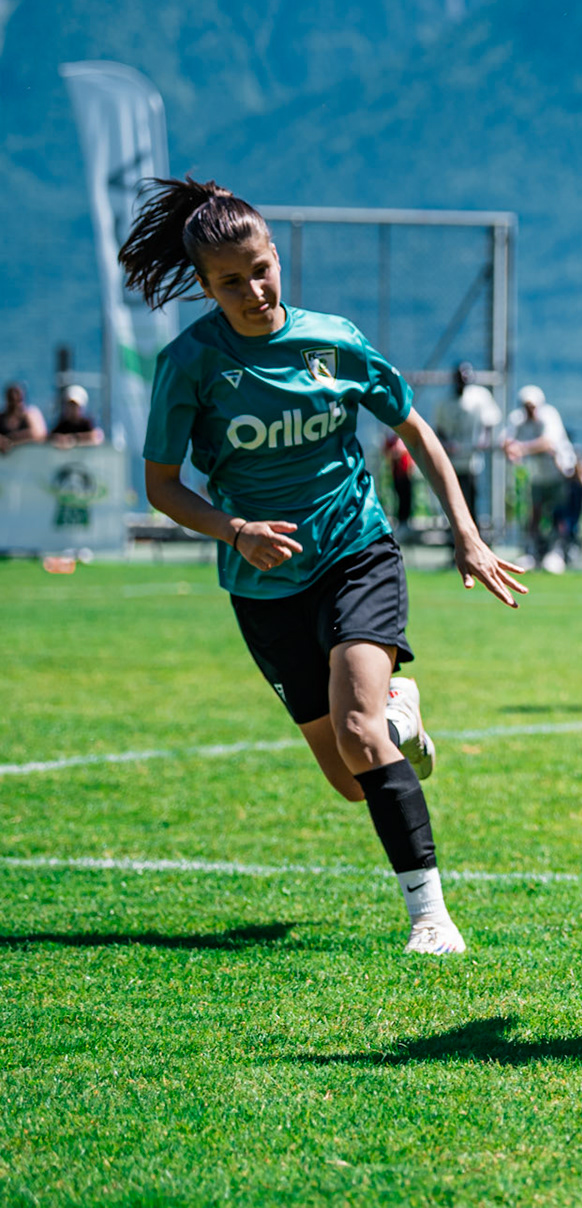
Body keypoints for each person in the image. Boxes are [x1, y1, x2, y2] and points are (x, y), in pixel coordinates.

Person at [118, 176, 526, 955]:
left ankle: (432, 920)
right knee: (348, 774)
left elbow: (416, 430)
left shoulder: (332, 339)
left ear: (277, 257)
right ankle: (401, 710)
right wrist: (235, 529)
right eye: (230, 281)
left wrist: (467, 535)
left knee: (357, 731)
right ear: (204, 287)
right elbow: (162, 487)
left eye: (261, 267)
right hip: (261, 585)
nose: (254, 289)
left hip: (355, 551)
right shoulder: (191, 363)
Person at [502, 385, 573, 573]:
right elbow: (506, 441)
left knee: (557, 514)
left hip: (557, 473)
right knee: (535, 514)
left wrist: (521, 448)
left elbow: (547, 442)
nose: (529, 410)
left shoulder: (549, 416)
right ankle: (533, 551)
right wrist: (511, 449)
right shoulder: (517, 420)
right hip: (536, 476)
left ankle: (557, 552)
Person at [434, 362, 501, 521]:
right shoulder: (445, 402)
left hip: (471, 459)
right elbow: (438, 428)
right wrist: (447, 445)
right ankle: (453, 535)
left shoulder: (480, 397)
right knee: (453, 500)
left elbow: (490, 421)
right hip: (452, 460)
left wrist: (483, 440)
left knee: (471, 499)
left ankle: (473, 533)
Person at [382, 431, 416, 531]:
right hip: (397, 474)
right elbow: (387, 453)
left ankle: (407, 519)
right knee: (400, 497)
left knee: (408, 497)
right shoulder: (391, 441)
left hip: (406, 473)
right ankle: (401, 519)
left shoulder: (404, 439)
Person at [0, 382, 48, 452]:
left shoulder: (31, 414)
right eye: (12, 400)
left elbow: (40, 434)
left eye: (19, 400)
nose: (16, 404)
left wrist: (12, 439)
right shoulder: (2, 418)